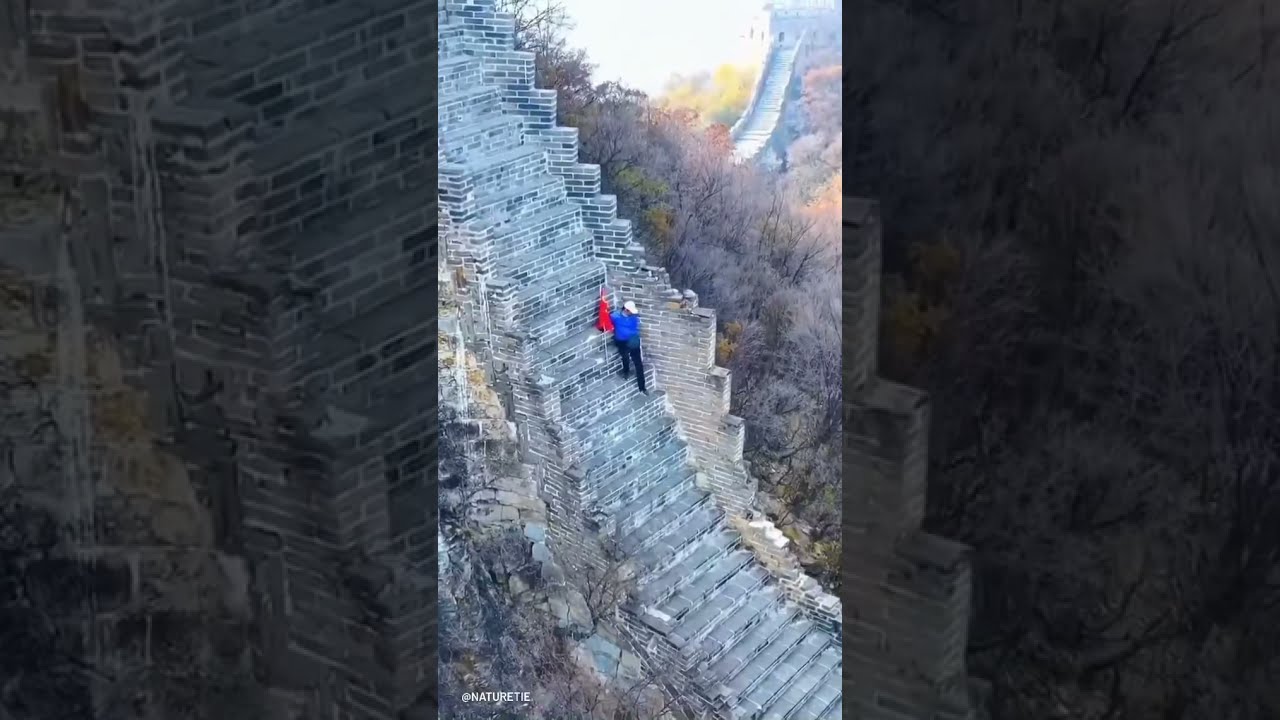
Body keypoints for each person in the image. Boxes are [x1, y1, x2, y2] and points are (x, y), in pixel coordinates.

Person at [610, 300, 647, 394]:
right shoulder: (615, 316)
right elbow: (608, 323)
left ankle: (642, 387)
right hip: (621, 340)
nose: (632, 313)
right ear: (626, 310)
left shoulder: (634, 317)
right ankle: (626, 371)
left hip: (633, 339)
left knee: (638, 363)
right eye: (631, 311)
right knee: (625, 357)